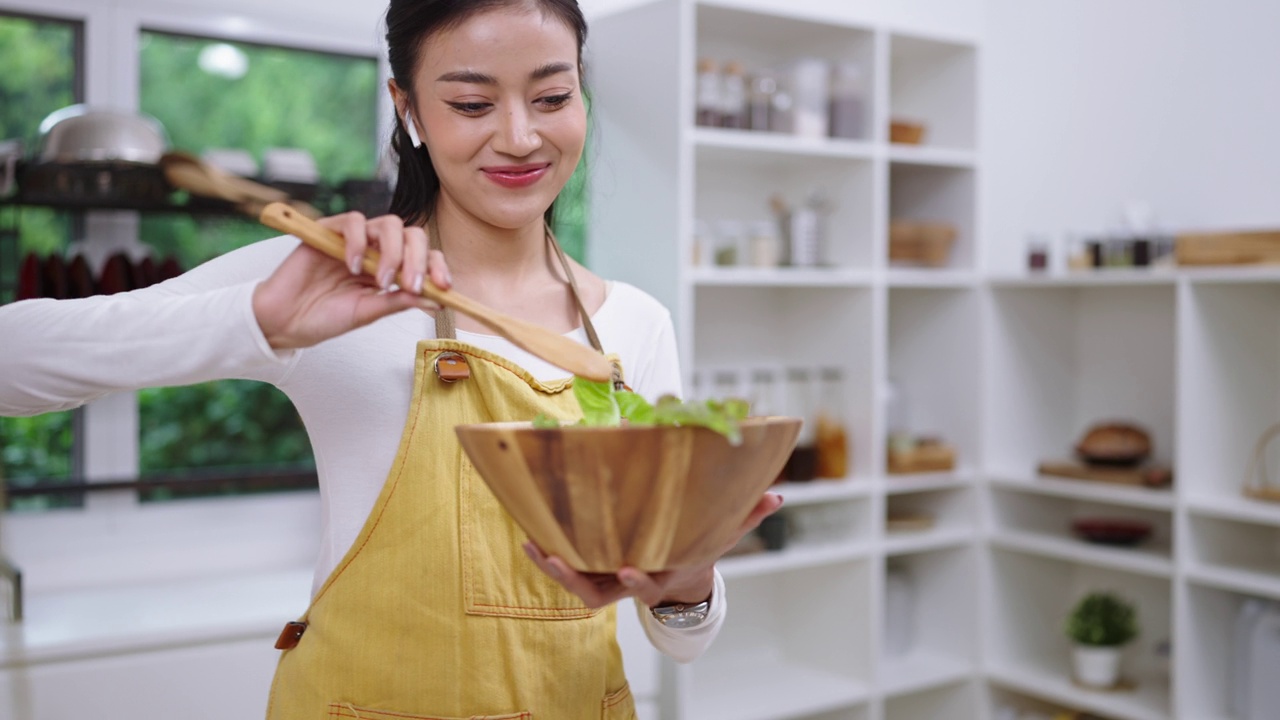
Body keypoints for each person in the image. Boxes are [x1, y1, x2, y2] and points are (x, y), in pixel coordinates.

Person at [0, 0, 783, 718]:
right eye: (472, 103)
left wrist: (687, 585)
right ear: (406, 107)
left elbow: (682, 638)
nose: (519, 136)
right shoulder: (322, 282)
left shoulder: (634, 325)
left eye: (551, 97)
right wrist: (260, 320)